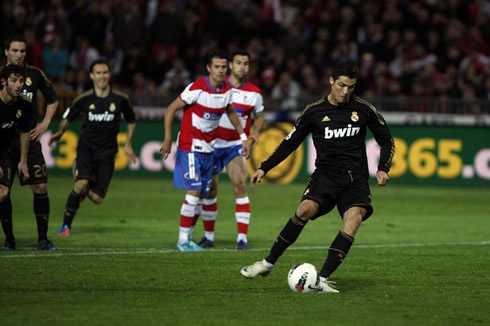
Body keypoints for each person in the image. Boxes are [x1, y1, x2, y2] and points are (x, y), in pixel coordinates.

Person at [240, 63, 395, 293]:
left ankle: (321, 280)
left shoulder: (364, 109)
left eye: (351, 87)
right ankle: (267, 263)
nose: (346, 92)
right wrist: (265, 167)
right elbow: (290, 142)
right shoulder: (314, 111)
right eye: (342, 85)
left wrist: (383, 167)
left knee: (354, 220)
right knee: (303, 210)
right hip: (325, 176)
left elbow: (386, 140)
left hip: (355, 179)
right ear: (331, 81)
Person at [160, 49, 251, 252]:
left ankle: (189, 237)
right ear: (209, 68)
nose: (220, 71)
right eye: (216, 67)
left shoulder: (227, 90)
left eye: (223, 67)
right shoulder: (197, 88)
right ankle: (182, 239)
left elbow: (230, 111)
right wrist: (167, 138)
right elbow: (170, 109)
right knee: (194, 190)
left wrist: (243, 137)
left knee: (202, 193)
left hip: (209, 148)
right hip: (191, 146)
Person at [49, 59, 137, 235]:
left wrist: (128, 143)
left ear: (109, 74)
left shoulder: (121, 99)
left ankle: (82, 189)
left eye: (105, 72)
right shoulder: (84, 99)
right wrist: (60, 132)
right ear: (92, 76)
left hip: (107, 153)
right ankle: (65, 226)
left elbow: (131, 120)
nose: (102, 76)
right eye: (98, 73)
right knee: (80, 183)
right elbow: (68, 117)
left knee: (97, 198)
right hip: (86, 150)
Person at [197, 49, 264, 250]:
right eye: (238, 62)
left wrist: (256, 132)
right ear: (231, 65)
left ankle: (242, 239)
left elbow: (259, 115)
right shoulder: (218, 86)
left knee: (240, 187)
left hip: (235, 146)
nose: (242, 67)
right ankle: (208, 237)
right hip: (212, 144)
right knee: (209, 191)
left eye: (246, 63)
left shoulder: (254, 93)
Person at [2, 33, 59, 250]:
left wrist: (44, 123)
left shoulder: (34, 74)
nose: (19, 54)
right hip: (4, 143)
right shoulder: (1, 75)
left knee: (41, 186)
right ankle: (9, 239)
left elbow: (53, 99)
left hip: (30, 138)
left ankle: (43, 239)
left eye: (22, 51)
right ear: (6, 51)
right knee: (3, 192)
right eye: (14, 50)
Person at [0, 64, 32, 250]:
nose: (18, 85)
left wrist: (23, 161)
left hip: (4, 150)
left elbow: (25, 132)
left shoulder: (25, 105)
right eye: (14, 80)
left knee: (3, 193)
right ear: (3, 82)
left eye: (21, 81)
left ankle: (9, 239)